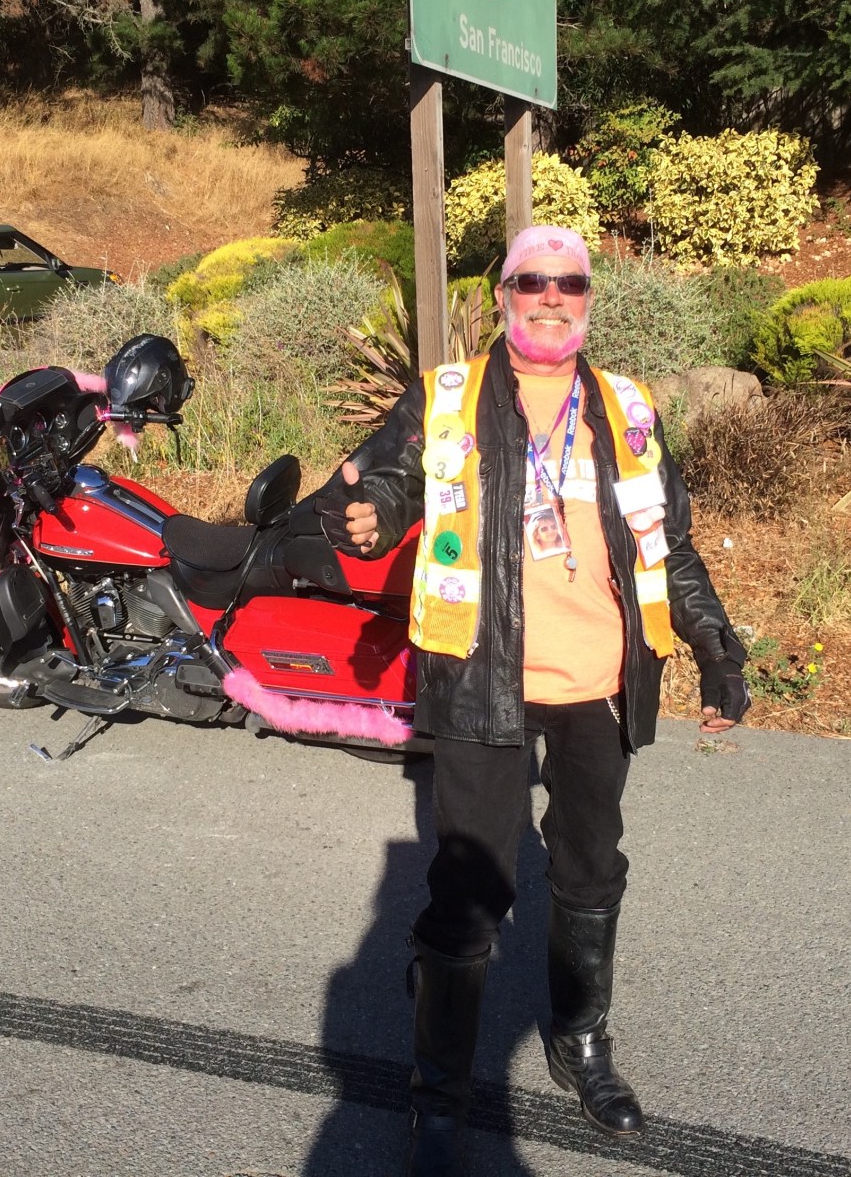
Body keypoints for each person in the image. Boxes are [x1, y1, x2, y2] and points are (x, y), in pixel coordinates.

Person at [312, 225, 751, 1176]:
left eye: (569, 283)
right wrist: (369, 517)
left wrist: (716, 647)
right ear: (504, 294)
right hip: (483, 679)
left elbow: (668, 541)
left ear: (587, 300)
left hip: (601, 682)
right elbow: (381, 483)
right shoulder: (446, 395)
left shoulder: (626, 407)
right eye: (531, 281)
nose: (551, 297)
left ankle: (579, 1041)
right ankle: (439, 1092)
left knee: (590, 870)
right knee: (470, 889)